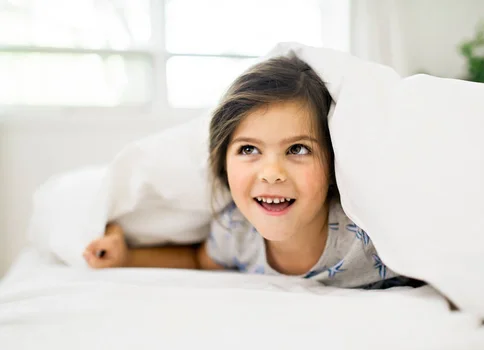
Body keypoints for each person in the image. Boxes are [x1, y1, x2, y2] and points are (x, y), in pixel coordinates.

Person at [83, 55, 423, 290]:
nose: (272, 173)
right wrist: (128, 255)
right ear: (222, 164)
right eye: (249, 150)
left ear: (334, 166)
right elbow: (199, 260)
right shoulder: (235, 229)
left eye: (298, 149)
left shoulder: (369, 237)